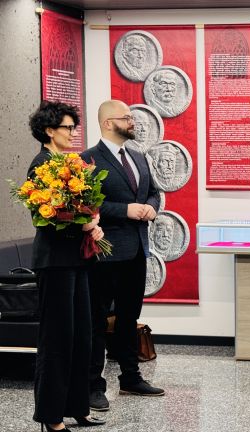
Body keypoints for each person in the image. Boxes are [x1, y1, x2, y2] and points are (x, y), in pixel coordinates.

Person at [80, 100, 164, 412]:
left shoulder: (138, 157)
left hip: (137, 250)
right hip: (104, 252)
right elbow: (85, 205)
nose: (132, 122)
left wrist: (151, 207)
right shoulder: (87, 160)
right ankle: (93, 385)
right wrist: (125, 210)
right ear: (107, 123)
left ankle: (131, 377)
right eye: (126, 118)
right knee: (98, 320)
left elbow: (153, 192)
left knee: (129, 317)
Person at [27, 101, 106, 431]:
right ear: (49, 130)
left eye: (74, 127)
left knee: (81, 337)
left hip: (76, 260)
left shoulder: (67, 162)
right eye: (68, 127)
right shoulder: (41, 165)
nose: (73, 133)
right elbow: (44, 219)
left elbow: (80, 209)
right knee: (57, 340)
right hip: (54, 263)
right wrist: (82, 224)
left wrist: (93, 223)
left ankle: (77, 407)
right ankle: (51, 417)